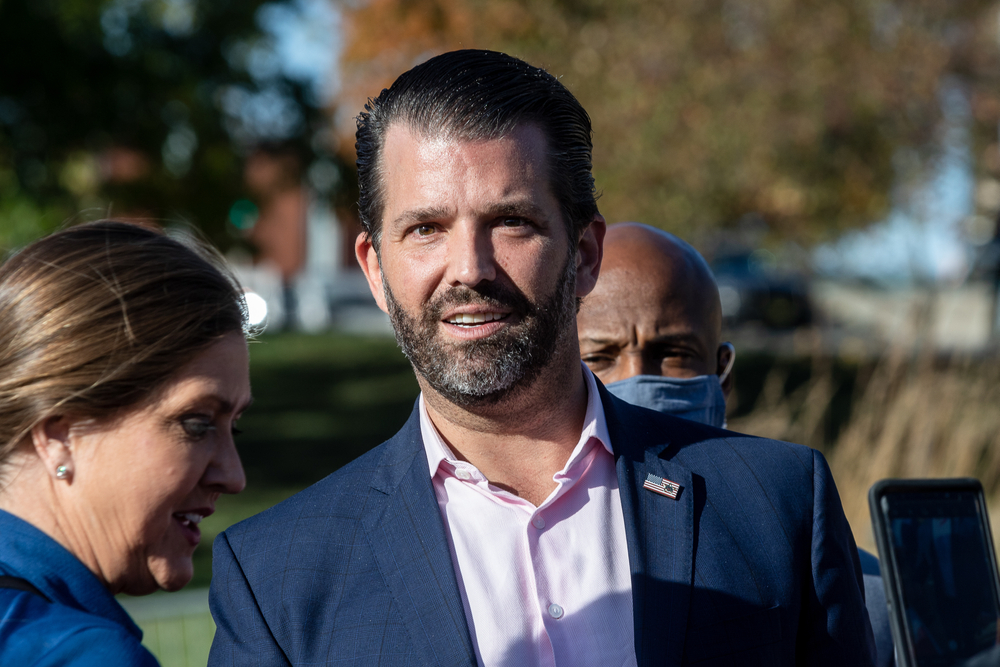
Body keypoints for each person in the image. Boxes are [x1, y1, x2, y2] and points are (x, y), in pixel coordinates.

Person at [208, 50, 875, 666]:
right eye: (426, 229)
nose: (468, 268)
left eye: (512, 222)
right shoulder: (278, 578)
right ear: (375, 270)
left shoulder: (776, 507)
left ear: (583, 255)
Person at [577, 221, 894, 667]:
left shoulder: (844, 581)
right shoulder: (535, 535)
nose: (636, 379)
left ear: (722, 374)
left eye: (674, 354)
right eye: (599, 358)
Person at [0, 221, 251, 666]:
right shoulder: (81, 654)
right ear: (59, 433)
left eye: (235, 426)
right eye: (196, 424)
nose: (233, 477)